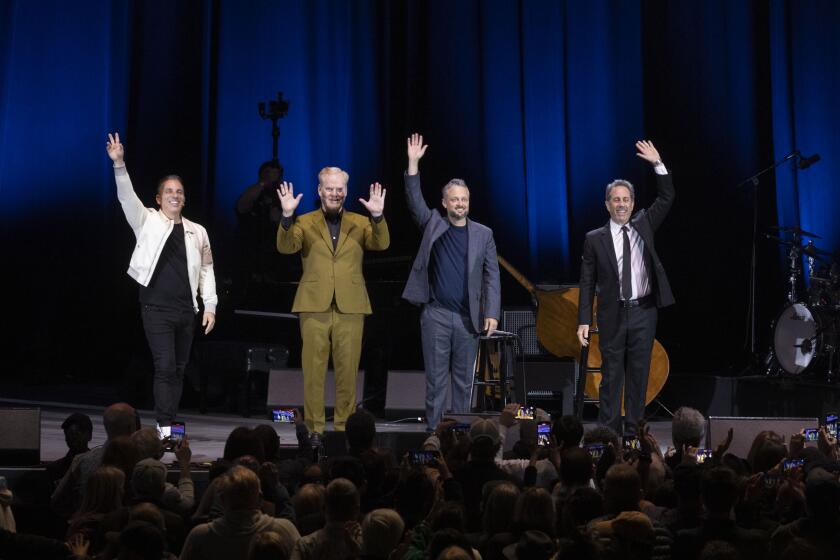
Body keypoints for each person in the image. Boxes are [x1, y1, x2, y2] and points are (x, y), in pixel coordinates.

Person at [106, 132, 217, 429]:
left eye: (179, 191)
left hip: (186, 311)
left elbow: (207, 270)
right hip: (156, 308)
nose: (175, 195)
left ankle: (169, 425)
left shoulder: (198, 231)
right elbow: (126, 197)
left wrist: (210, 306)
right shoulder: (147, 221)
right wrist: (119, 164)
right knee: (165, 366)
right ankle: (165, 425)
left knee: (179, 370)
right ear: (158, 198)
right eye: (169, 191)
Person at [276, 168, 389, 443]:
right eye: (329, 188)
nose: (335, 193)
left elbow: (381, 243)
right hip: (314, 305)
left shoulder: (360, 222)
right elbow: (286, 247)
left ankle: (343, 431)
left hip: (351, 306)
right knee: (313, 372)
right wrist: (288, 216)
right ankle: (314, 430)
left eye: (339, 189)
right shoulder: (304, 221)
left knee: (348, 374)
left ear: (346, 192)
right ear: (319, 191)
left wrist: (377, 216)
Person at [401, 133, 501, 430]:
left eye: (464, 199)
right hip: (437, 316)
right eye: (455, 199)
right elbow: (414, 200)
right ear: (444, 203)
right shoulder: (433, 223)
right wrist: (413, 164)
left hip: (468, 318)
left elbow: (492, 274)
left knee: (463, 383)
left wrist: (492, 312)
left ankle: (459, 436)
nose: (460, 203)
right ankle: (434, 434)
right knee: (435, 382)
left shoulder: (484, 234)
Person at [577, 140, 675, 436]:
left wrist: (658, 163)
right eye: (616, 199)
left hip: (644, 311)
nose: (621, 204)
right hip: (611, 313)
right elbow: (587, 280)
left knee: (638, 374)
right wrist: (584, 319)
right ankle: (608, 432)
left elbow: (667, 196)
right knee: (611, 375)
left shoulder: (644, 224)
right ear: (607, 204)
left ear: (633, 203)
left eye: (626, 199)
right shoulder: (594, 238)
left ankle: (634, 432)